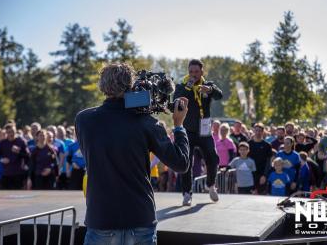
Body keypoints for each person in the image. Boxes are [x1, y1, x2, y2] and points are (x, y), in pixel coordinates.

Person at [76, 63, 190, 245]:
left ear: (102, 86)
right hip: (140, 218)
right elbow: (181, 163)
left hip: (101, 218)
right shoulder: (147, 123)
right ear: (130, 86)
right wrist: (179, 126)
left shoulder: (83, 120)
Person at [173, 59, 222, 205]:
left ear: (202, 72)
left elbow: (219, 95)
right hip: (188, 129)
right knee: (186, 162)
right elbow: (176, 99)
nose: (193, 75)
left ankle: (211, 185)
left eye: (196, 72)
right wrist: (188, 88)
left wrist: (210, 90)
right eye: (191, 72)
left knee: (212, 157)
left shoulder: (208, 84)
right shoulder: (182, 86)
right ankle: (187, 193)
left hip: (204, 129)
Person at [0, 123, 30, 189]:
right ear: (6, 132)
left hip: (18, 174)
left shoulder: (21, 141)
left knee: (18, 196)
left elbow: (28, 156)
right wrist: (2, 160)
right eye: (9, 132)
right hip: (6, 174)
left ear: (15, 130)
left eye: (13, 131)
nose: (11, 134)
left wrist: (19, 152)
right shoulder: (3, 143)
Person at [248, 123, 272, 194]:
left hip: (262, 175)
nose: (258, 132)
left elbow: (268, 162)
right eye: (256, 130)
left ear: (263, 132)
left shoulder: (267, 145)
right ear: (254, 131)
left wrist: (264, 175)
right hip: (250, 175)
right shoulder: (248, 144)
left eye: (260, 131)